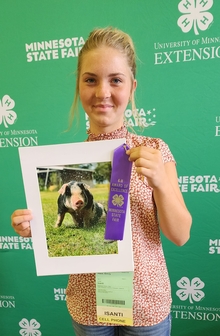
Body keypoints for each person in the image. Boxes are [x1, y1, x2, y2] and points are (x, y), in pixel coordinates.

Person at [11, 27, 192, 336]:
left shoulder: (156, 150)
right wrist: (32, 227)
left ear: (132, 87)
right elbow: (60, 223)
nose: (102, 92)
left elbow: (180, 235)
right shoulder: (71, 161)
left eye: (116, 80)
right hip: (88, 306)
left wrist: (160, 181)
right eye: (91, 79)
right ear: (79, 86)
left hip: (146, 306)